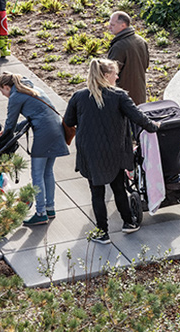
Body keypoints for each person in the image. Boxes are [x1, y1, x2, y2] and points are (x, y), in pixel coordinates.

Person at [63, 58, 159, 244]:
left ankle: (102, 232)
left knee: (96, 193)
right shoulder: (119, 96)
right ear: (106, 76)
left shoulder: (79, 96)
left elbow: (69, 120)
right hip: (115, 150)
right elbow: (138, 117)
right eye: (115, 73)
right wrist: (154, 126)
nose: (117, 76)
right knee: (119, 188)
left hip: (90, 152)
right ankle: (129, 223)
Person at [0, 72, 69, 226]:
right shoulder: (31, 88)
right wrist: (10, 130)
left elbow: (10, 123)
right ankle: (50, 208)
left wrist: (2, 141)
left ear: (6, 87)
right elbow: (34, 116)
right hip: (56, 130)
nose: (3, 95)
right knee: (47, 171)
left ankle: (40, 212)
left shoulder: (16, 96)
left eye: (2, 91)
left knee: (37, 174)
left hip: (44, 134)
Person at [106, 11, 150, 105]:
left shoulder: (119, 46)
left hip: (123, 99)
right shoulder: (141, 41)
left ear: (123, 25)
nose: (109, 27)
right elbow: (146, 65)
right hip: (139, 94)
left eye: (112, 25)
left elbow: (109, 74)